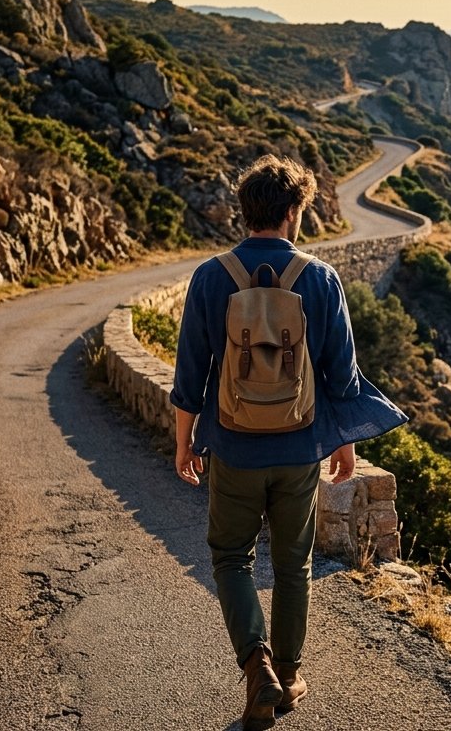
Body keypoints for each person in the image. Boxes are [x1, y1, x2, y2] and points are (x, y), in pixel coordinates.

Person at [170, 154, 406, 731]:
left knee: (230, 558)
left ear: (244, 211)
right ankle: (290, 673)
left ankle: (258, 666)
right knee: (293, 563)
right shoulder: (320, 279)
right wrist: (344, 440)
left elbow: (188, 378)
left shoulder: (210, 276)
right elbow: (342, 379)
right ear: (295, 211)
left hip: (232, 445)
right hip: (300, 450)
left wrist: (186, 445)